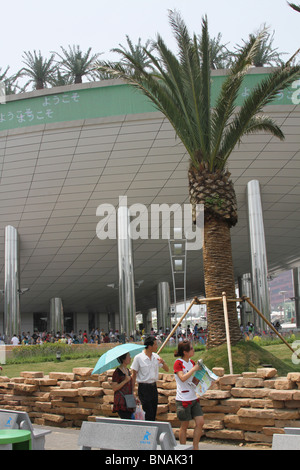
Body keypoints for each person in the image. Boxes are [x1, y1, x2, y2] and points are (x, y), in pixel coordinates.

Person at [173, 340, 204, 450]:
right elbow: (182, 378)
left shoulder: (192, 362)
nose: (193, 350)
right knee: (184, 425)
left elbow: (193, 380)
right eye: (191, 348)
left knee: (200, 422)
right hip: (183, 399)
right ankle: (183, 448)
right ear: (185, 352)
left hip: (193, 397)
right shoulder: (178, 363)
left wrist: (205, 380)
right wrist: (193, 369)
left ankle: (195, 447)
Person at [131, 335, 169, 421]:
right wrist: (132, 390)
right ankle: (147, 432)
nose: (157, 346)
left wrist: (163, 362)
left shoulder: (156, 357)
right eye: (155, 344)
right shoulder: (138, 358)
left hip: (153, 387)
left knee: (153, 411)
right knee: (148, 412)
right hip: (144, 388)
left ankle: (151, 431)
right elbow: (134, 374)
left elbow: (167, 369)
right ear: (149, 346)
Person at [111, 352, 136, 419]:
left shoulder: (127, 370)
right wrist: (125, 381)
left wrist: (133, 395)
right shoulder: (117, 372)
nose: (130, 358)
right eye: (128, 356)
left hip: (129, 400)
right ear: (123, 359)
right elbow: (114, 388)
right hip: (121, 401)